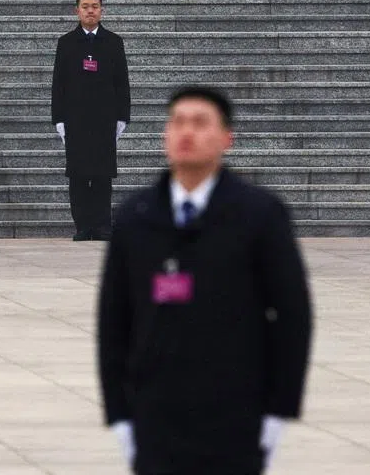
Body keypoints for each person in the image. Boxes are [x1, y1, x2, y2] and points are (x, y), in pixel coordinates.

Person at [97, 87, 313, 475]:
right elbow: (113, 322)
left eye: (200, 123)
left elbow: (293, 316)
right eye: (178, 122)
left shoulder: (260, 215)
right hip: (156, 416)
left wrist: (279, 410)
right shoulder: (135, 217)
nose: (186, 133)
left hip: (234, 414)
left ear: (227, 138)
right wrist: (119, 413)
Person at [51, 0, 131, 241]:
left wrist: (122, 117)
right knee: (77, 175)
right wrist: (59, 119)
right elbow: (58, 84)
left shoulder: (113, 42)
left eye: (94, 6)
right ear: (77, 11)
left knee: (102, 175)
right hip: (75, 119)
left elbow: (122, 82)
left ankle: (102, 225)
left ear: (101, 10)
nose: (90, 11)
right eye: (85, 6)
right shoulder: (66, 43)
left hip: (104, 119)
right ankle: (83, 226)